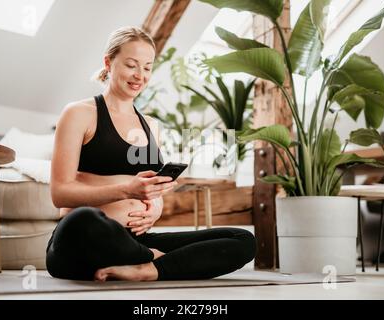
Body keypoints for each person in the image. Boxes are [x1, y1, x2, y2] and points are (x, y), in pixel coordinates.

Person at [46, 26, 257, 281]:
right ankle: (154, 258)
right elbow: (60, 194)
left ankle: (147, 268)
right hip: (83, 241)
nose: (140, 75)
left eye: (147, 67)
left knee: (242, 239)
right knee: (84, 219)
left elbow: (149, 188)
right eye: (132, 65)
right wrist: (127, 189)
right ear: (108, 62)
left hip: (135, 239)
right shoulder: (79, 113)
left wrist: (156, 205)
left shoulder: (150, 125)